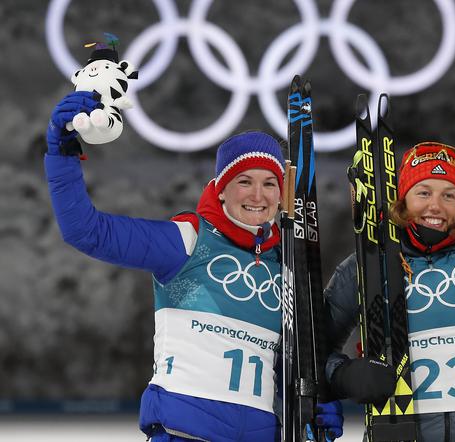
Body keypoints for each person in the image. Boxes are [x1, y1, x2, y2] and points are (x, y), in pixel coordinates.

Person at [45, 91, 343, 441]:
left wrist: (317, 403)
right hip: (184, 433)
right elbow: (87, 231)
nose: (258, 196)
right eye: (244, 181)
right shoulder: (188, 240)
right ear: (221, 189)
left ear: (281, 196)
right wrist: (61, 153)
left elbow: (291, 363)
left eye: (269, 184)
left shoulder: (286, 264)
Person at [324, 142, 455, 441]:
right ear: (403, 198)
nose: (435, 206)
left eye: (449, 195)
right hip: (396, 431)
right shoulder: (368, 264)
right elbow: (314, 347)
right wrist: (343, 375)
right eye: (423, 193)